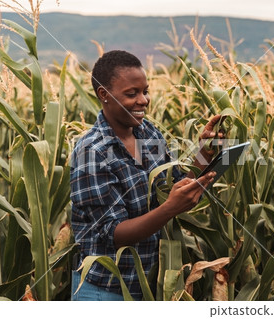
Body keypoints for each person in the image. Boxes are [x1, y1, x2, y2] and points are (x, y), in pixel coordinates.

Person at [70, 50, 223, 301]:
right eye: (132, 94)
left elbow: (174, 183)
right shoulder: (92, 152)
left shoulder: (147, 132)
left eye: (145, 91)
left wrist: (205, 153)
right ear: (104, 95)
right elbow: (114, 233)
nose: (143, 100)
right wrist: (170, 209)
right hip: (105, 291)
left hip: (149, 286)